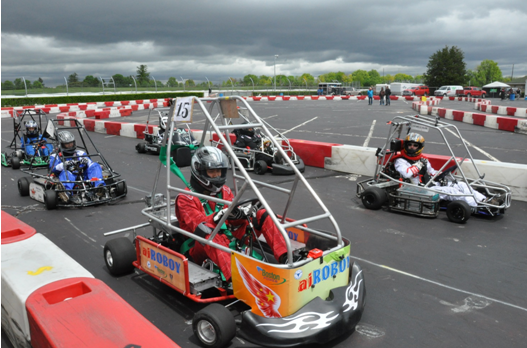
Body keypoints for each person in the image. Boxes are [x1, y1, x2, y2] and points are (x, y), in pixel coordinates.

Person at [175, 146, 288, 282]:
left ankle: (286, 258)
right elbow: (199, 225)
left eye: (219, 171)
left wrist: (241, 214)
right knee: (209, 232)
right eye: (212, 171)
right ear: (199, 171)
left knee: (263, 214)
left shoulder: (225, 191)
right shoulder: (186, 198)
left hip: (228, 238)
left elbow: (231, 221)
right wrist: (218, 216)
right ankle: (236, 279)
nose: (217, 175)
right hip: (200, 247)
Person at [394, 133, 489, 208]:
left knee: (461, 184)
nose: (412, 147)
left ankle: (484, 200)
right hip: (417, 189)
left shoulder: (422, 159)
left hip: (430, 185)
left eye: (415, 145)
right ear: (405, 145)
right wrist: (418, 165)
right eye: (409, 144)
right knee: (451, 191)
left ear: (419, 147)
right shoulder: (400, 160)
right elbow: (406, 174)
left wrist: (441, 175)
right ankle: (479, 205)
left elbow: (431, 172)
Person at [49, 131, 106, 203]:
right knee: (66, 172)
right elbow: (53, 169)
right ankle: (66, 193)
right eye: (67, 144)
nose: (70, 146)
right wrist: (64, 164)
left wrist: (85, 161)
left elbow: (90, 164)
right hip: (69, 177)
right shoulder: (55, 156)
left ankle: (98, 188)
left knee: (95, 165)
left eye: (71, 143)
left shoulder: (80, 153)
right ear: (60, 145)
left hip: (83, 175)